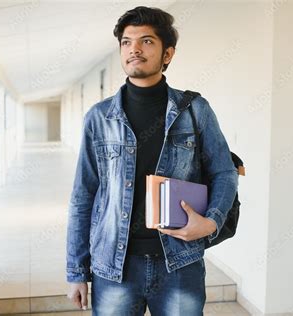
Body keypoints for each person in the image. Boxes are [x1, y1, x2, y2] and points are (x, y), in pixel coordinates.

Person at [66, 6, 238, 316]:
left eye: (146, 41)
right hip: (114, 266)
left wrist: (211, 222)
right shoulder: (99, 118)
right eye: (126, 42)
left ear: (167, 54)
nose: (134, 49)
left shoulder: (195, 110)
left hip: (180, 262)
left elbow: (224, 172)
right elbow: (83, 197)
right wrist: (77, 272)